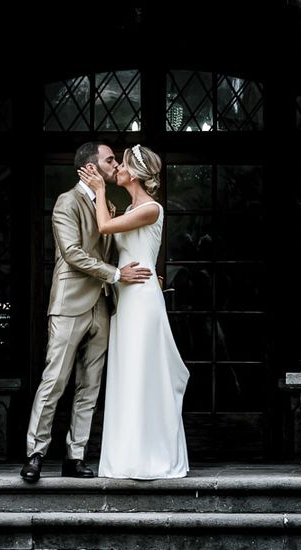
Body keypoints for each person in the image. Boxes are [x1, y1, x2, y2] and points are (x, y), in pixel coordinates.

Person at [21, 142, 153, 482]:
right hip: (70, 303)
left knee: (89, 387)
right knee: (55, 380)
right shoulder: (68, 202)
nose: (115, 164)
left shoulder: (109, 204)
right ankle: (35, 453)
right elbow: (72, 253)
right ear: (91, 166)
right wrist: (115, 274)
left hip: (102, 305)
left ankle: (75, 455)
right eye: (110, 159)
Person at [78, 144, 190, 479]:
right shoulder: (130, 207)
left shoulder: (150, 208)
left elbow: (104, 228)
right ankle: (126, 455)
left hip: (142, 300)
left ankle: (149, 456)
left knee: (142, 372)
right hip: (127, 298)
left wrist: (98, 190)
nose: (118, 170)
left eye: (124, 165)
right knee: (127, 373)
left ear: (136, 174)